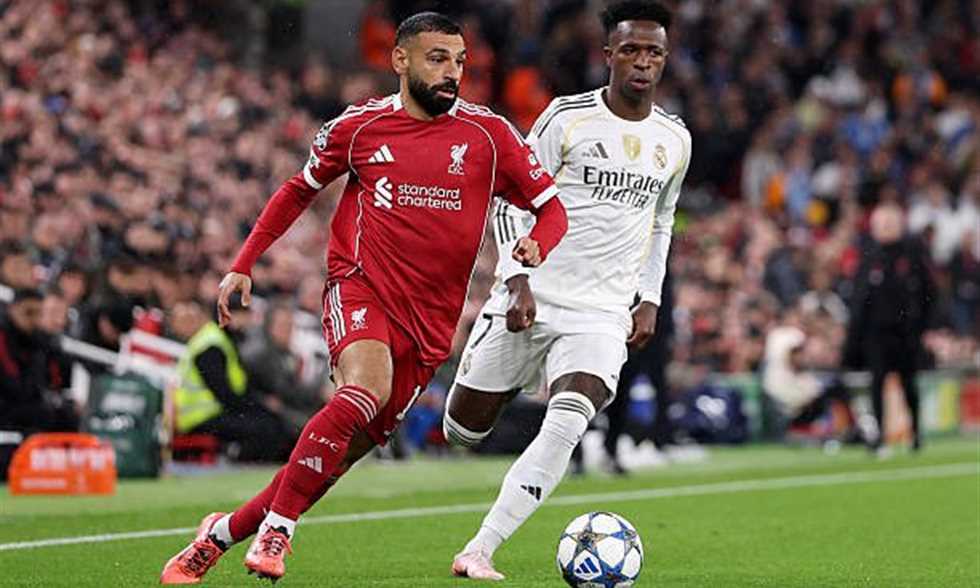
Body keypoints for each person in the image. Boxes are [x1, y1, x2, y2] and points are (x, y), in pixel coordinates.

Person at [160, 11, 567, 584]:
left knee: (337, 456)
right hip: (361, 287)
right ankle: (280, 527)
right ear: (400, 60)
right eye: (437, 59)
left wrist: (537, 246)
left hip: (430, 324)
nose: (452, 72)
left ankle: (221, 534)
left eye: (459, 61)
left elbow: (552, 209)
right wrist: (243, 263)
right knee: (364, 391)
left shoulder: (489, 136)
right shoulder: (360, 127)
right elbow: (297, 190)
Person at [443, 1, 690, 580]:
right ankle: (517, 377)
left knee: (570, 420)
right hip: (533, 296)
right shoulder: (566, 118)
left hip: (601, 313)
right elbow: (511, 200)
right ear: (608, 55)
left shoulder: (675, 139)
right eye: (630, 50)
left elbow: (661, 222)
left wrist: (649, 296)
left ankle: (479, 549)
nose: (643, 62)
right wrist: (517, 280)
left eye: (654, 52)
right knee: (462, 431)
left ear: (665, 59)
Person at [843, 203, 934, 456]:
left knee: (909, 383)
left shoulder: (912, 253)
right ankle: (879, 437)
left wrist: (924, 326)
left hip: (906, 332)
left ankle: (916, 433)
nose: (884, 228)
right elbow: (859, 299)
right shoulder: (869, 256)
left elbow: (929, 292)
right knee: (877, 384)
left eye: (889, 223)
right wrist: (855, 337)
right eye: (880, 224)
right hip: (876, 334)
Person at [172, 292, 292, 463]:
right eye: (244, 315)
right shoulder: (211, 346)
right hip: (201, 418)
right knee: (264, 428)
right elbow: (224, 394)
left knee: (271, 421)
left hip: (211, 413)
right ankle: (236, 459)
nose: (248, 321)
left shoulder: (220, 340)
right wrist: (254, 407)